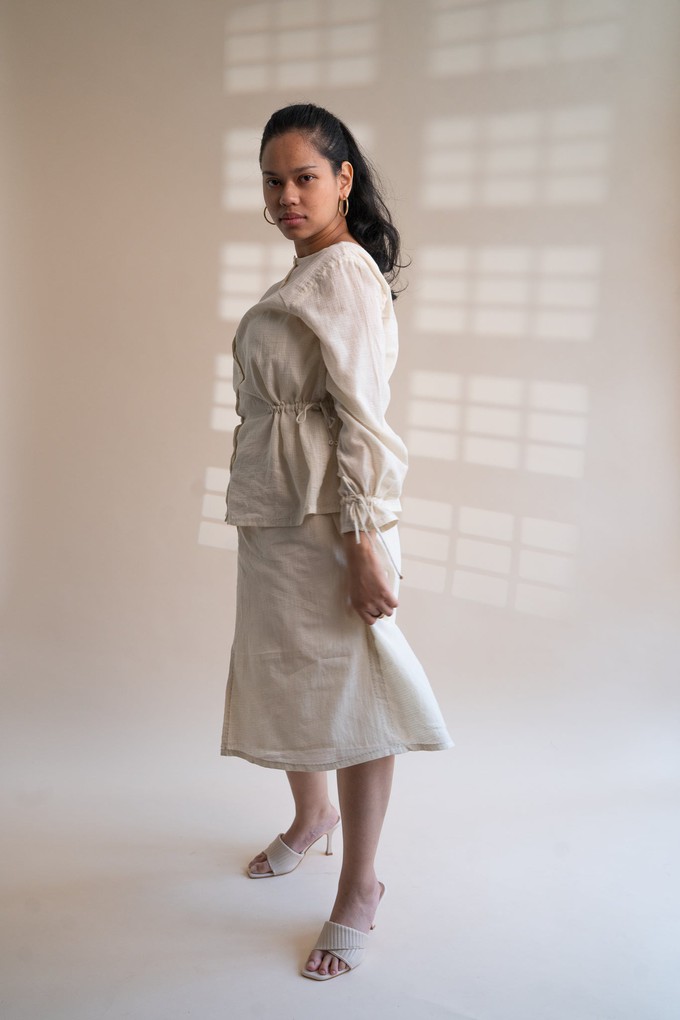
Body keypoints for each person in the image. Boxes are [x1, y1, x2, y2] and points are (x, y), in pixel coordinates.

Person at [221, 103, 453, 981]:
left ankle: (360, 883)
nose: (286, 195)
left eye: (304, 177)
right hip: (277, 512)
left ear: (344, 179)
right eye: (272, 180)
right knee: (292, 673)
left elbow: (364, 420)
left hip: (329, 519)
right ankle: (310, 815)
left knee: (357, 693)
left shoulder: (346, 272)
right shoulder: (308, 269)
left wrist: (364, 540)